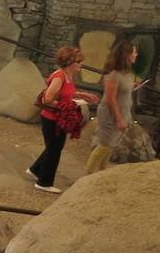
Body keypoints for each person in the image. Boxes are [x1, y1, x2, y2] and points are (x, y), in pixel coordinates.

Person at [28, 46, 99, 194]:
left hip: (55, 118)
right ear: (70, 62)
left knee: (53, 147)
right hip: (51, 119)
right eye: (78, 62)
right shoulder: (60, 76)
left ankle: (35, 170)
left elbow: (65, 93)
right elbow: (48, 99)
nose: (80, 65)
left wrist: (83, 95)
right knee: (54, 150)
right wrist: (68, 106)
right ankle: (44, 182)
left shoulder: (67, 76)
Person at [86, 39, 141, 174]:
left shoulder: (127, 73)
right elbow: (111, 99)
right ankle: (90, 172)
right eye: (134, 52)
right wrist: (119, 119)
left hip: (122, 111)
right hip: (111, 113)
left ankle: (101, 171)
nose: (136, 54)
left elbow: (122, 91)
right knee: (105, 145)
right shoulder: (114, 75)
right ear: (126, 55)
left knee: (111, 145)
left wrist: (133, 87)